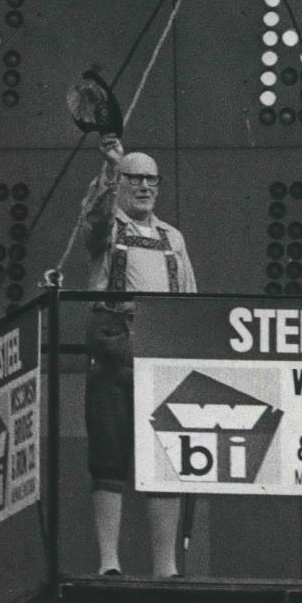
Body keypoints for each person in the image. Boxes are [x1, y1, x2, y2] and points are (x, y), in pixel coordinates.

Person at [81, 133, 197, 578]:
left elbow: (190, 297)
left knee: (165, 457)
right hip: (114, 343)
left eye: (152, 180)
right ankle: (110, 560)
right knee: (109, 453)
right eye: (135, 179)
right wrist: (109, 169)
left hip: (163, 346)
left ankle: (164, 566)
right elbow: (91, 220)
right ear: (122, 183)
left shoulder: (173, 238)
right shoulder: (109, 230)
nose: (145, 187)